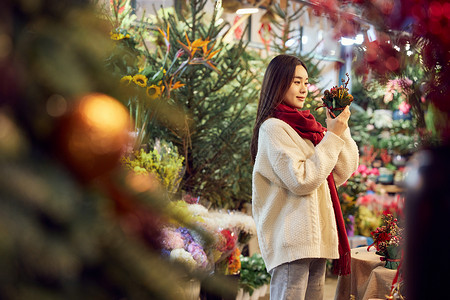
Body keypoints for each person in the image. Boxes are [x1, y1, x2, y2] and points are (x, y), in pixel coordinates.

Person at [250, 54, 359, 300]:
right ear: (278, 83)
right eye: (296, 81)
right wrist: (332, 138)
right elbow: (302, 180)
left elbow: (340, 172)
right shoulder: (274, 128)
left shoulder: (307, 127)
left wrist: (340, 130)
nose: (303, 89)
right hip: (293, 241)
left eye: (306, 82)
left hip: (316, 238)